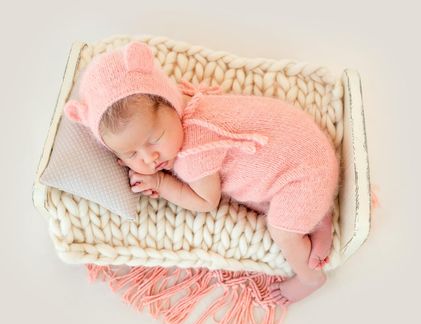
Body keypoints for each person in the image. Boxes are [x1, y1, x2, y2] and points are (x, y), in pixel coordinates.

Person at [64, 41, 340, 305]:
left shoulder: (194, 150)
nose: (150, 158)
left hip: (303, 174)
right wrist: (147, 150)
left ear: (169, 104)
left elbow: (206, 201)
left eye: (154, 138)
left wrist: (160, 182)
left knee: (282, 229)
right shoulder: (189, 102)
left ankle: (310, 277)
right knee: (274, 198)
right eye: (131, 154)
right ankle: (319, 220)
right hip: (306, 149)